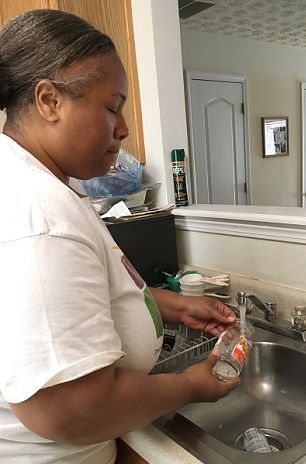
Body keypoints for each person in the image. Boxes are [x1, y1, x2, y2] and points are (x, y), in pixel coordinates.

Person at [0, 9, 240, 464]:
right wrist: (190, 385)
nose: (124, 128)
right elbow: (70, 411)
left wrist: (165, 304)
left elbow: (79, 302)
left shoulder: (39, 186)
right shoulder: (41, 221)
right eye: (113, 107)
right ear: (49, 101)